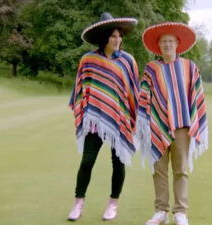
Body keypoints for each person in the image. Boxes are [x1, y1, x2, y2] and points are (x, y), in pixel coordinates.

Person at [67, 12, 139, 221]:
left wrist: (134, 116)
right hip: (95, 119)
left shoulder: (127, 61)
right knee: (87, 161)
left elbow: (133, 92)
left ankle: (112, 204)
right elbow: (81, 88)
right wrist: (84, 109)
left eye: (119, 36)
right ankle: (78, 203)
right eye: (113, 36)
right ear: (104, 37)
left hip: (119, 120)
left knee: (118, 162)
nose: (117, 40)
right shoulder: (88, 59)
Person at [136, 22, 208, 225]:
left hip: (182, 127)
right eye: (163, 41)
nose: (167, 44)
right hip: (157, 126)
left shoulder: (189, 67)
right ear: (158, 45)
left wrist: (195, 120)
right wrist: (144, 123)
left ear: (177, 43)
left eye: (170, 41)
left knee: (181, 169)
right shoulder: (152, 69)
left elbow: (196, 96)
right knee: (158, 170)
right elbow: (145, 96)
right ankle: (160, 211)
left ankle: (180, 212)